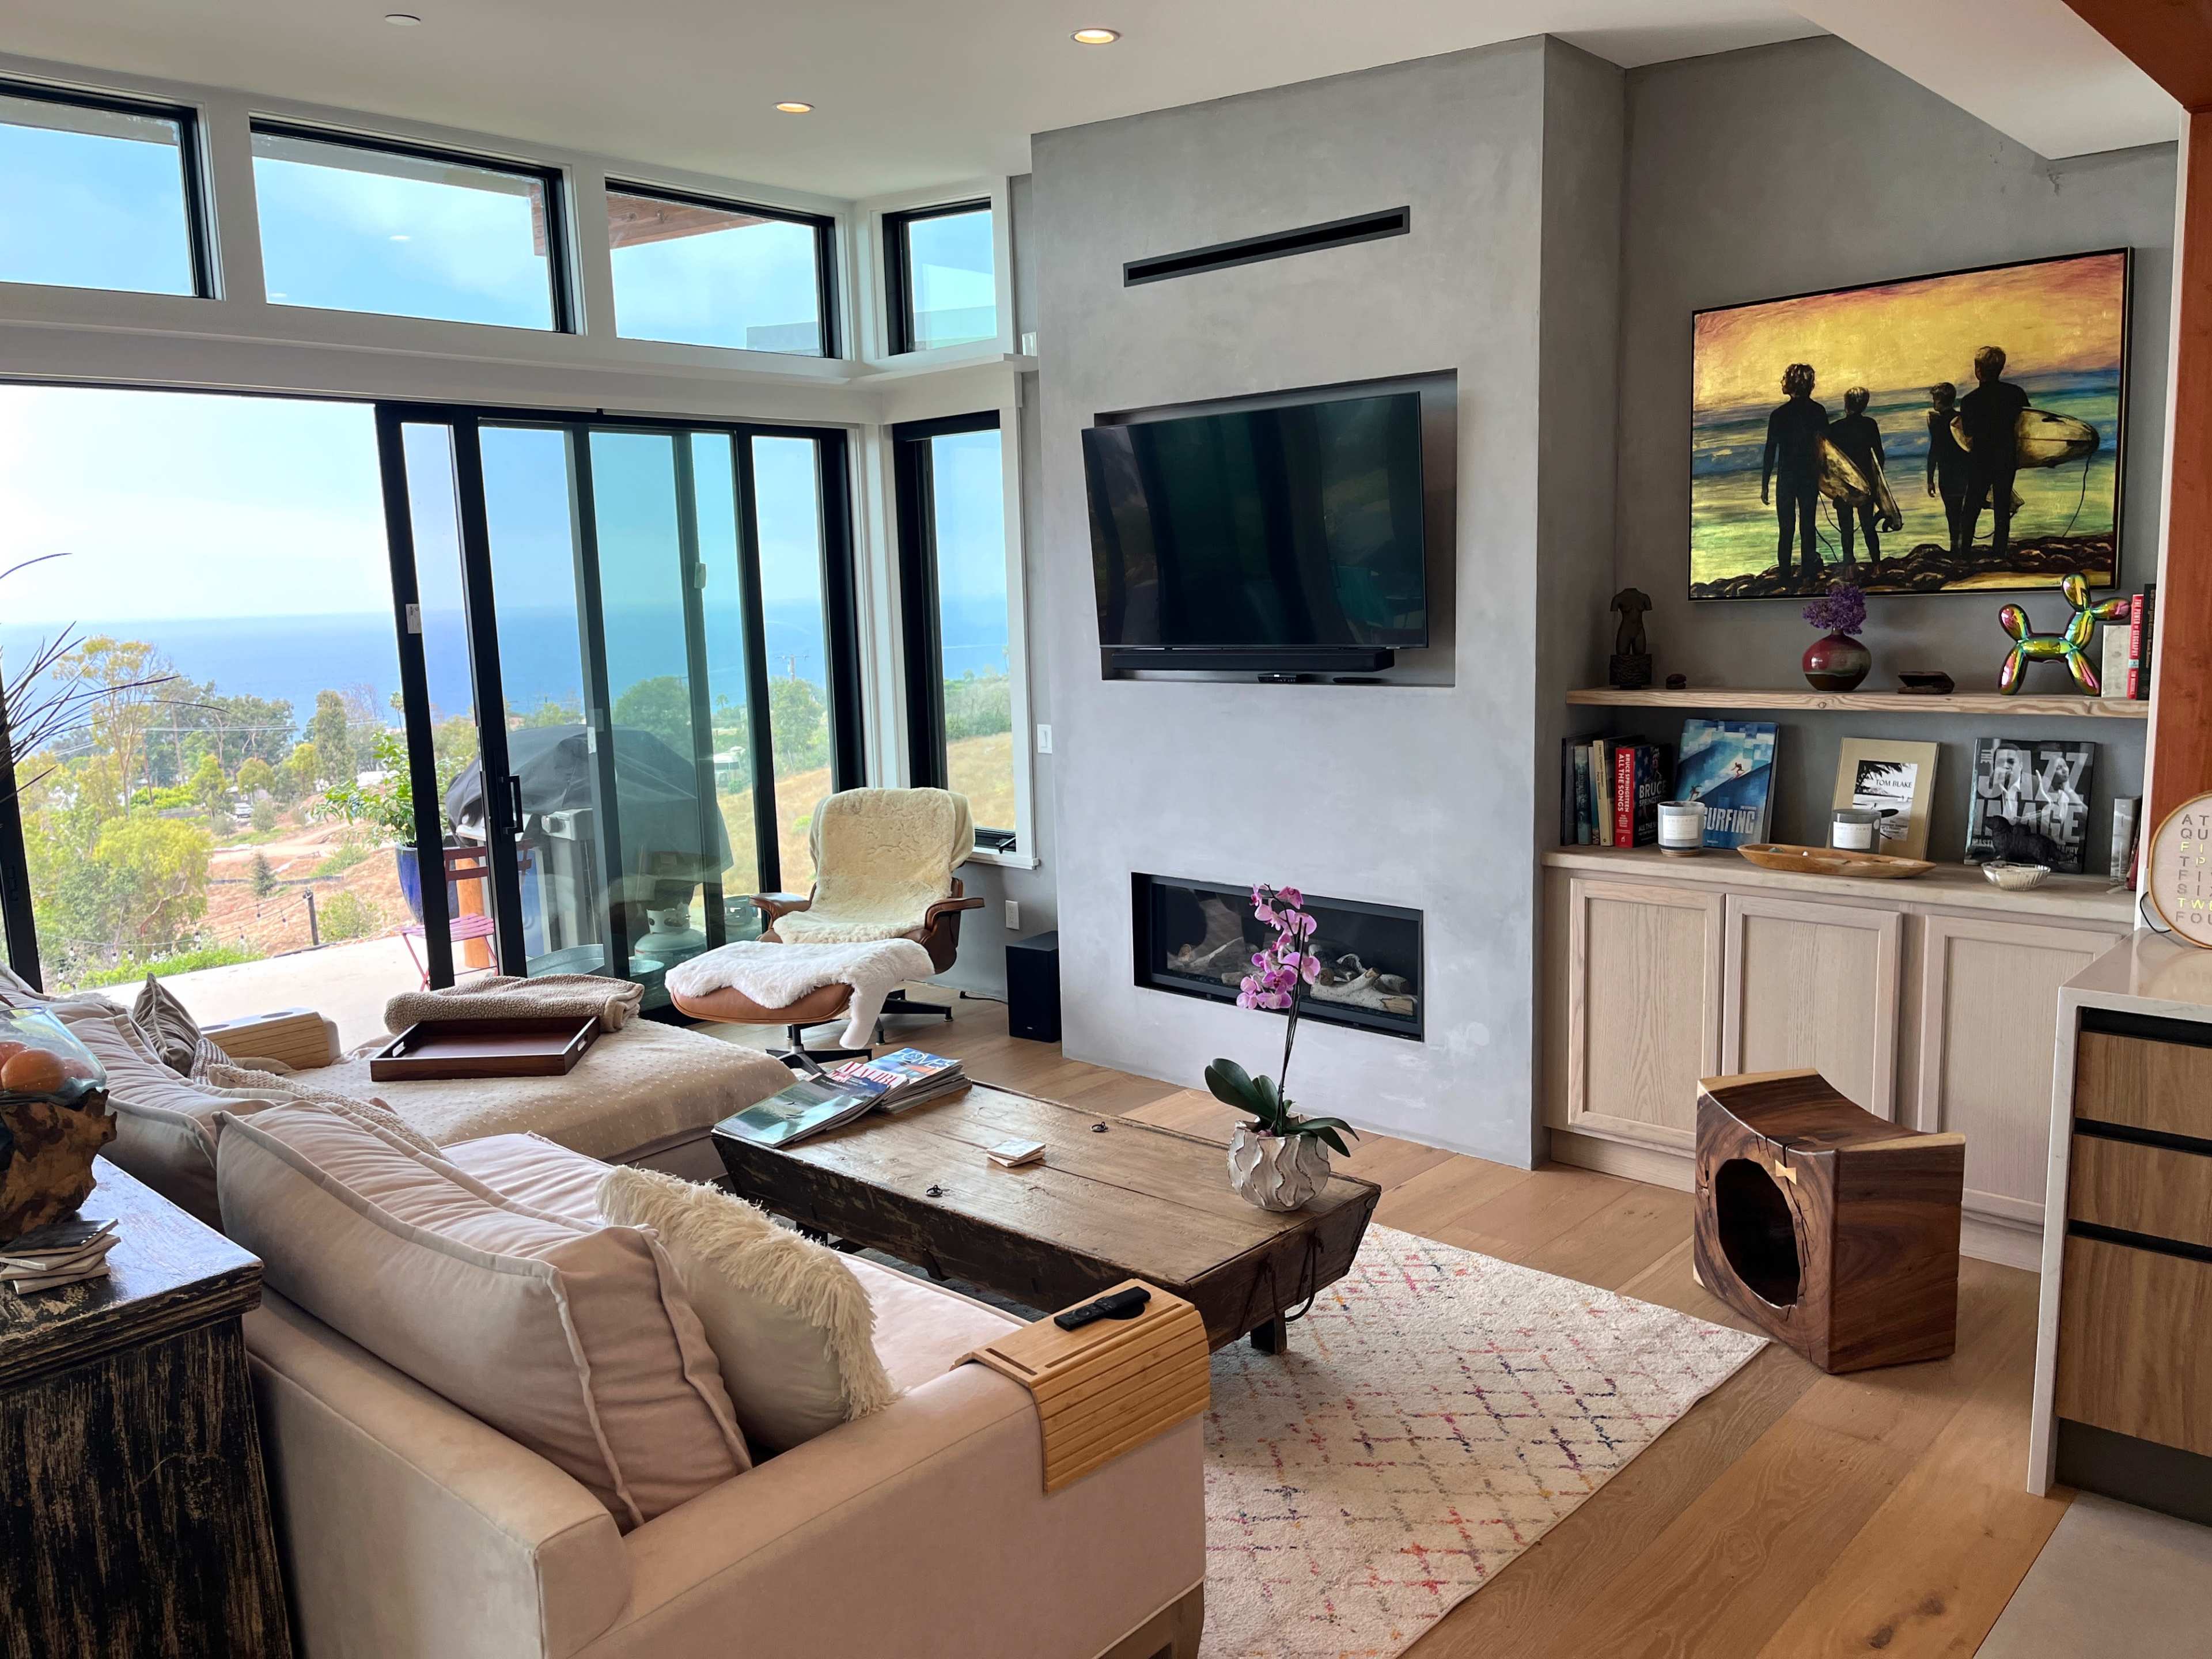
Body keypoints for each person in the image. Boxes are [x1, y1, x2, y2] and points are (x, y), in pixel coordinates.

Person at [1760, 362, 1828, 584]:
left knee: (1786, 527)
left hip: (1787, 477)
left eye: (1784, 378)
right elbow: (1826, 450)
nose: (1781, 382)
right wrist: (1827, 478)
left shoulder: (1779, 415)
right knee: (1808, 524)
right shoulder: (1818, 411)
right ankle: (1809, 570)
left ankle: (1785, 573)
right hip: (1809, 476)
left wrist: (1765, 483)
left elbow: (1770, 451)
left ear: (1792, 383)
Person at [1959, 346, 2029, 556]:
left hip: (1981, 458)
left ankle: (1964, 551)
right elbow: (2027, 426)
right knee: (2002, 505)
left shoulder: (1970, 401)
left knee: (1972, 506)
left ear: (1978, 370)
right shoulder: (2016, 394)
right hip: (2006, 456)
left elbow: (1968, 433)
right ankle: (1999, 551)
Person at [1826, 386, 1887, 565]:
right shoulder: (1870, 425)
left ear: (1846, 404)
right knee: (1868, 525)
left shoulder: (1835, 428)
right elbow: (1879, 455)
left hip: (1844, 483)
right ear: (1864, 405)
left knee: (1846, 526)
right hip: (1866, 481)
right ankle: (1876, 563)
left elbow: (1830, 460)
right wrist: (1877, 482)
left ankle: (1848, 563)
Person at [1925, 382, 1971, 552]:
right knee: (1963, 511)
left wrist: (1930, 479)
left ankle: (1954, 547)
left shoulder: (1937, 422)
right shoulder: (1961, 419)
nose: (1933, 403)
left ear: (1940, 400)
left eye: (1934, 399)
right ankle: (1964, 546)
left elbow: (1934, 451)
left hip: (1947, 474)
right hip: (1965, 472)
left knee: (1952, 512)